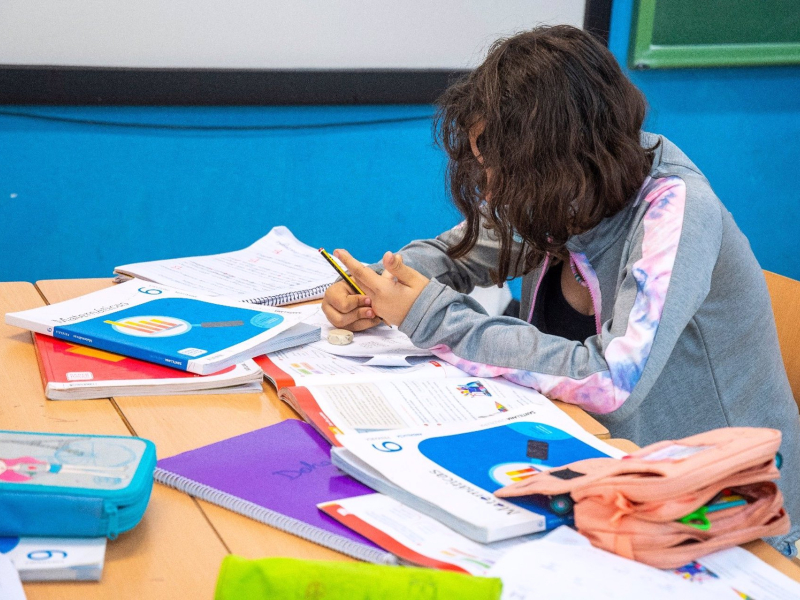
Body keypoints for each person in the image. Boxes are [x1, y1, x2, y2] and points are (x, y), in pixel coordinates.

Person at [321, 25, 800, 555]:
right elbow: (471, 248)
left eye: (505, 169)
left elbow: (613, 384)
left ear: (563, 156)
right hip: (601, 470)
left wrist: (433, 317)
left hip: (727, 516)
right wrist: (384, 283)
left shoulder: (676, 214)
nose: (492, 188)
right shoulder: (571, 186)